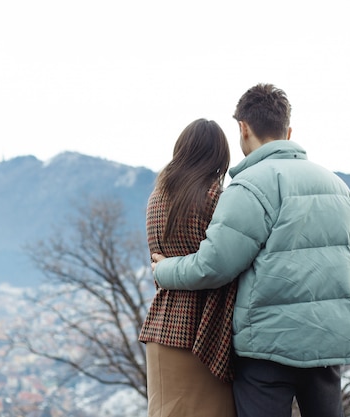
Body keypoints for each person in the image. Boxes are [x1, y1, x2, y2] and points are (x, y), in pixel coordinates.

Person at [151, 84, 350, 417]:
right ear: (288, 131)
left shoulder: (250, 185)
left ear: (243, 128)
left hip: (268, 348)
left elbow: (214, 266)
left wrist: (163, 270)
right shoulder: (339, 188)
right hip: (329, 343)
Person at [140, 118, 238, 417]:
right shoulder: (215, 198)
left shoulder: (157, 196)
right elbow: (224, 263)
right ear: (219, 156)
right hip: (203, 333)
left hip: (160, 326)